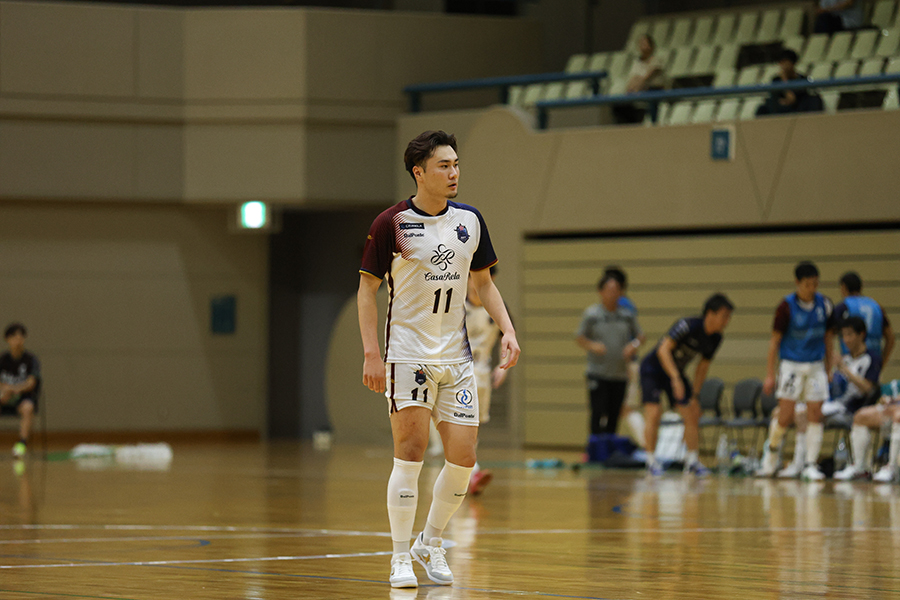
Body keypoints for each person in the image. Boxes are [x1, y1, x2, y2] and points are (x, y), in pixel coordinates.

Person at [357, 130, 519, 589]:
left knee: (463, 458)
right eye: (443, 166)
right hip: (407, 354)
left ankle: (430, 542)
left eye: (456, 164)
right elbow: (367, 290)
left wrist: (508, 329)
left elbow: (484, 283)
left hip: (457, 358)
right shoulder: (392, 223)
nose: (453, 173)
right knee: (409, 454)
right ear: (419, 172)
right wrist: (372, 353)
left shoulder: (470, 220)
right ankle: (399, 557)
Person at [640, 293, 734, 476]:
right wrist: (675, 378)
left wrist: (695, 395)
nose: (727, 321)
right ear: (710, 313)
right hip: (653, 370)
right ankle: (650, 460)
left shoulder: (716, 338)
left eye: (728, 317)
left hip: (675, 372)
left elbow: (702, 366)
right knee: (654, 412)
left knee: (692, 412)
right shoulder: (687, 325)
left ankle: (691, 461)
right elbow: (663, 350)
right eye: (724, 316)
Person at [758, 262, 837, 481]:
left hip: (815, 366)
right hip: (791, 365)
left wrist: (829, 368)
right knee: (784, 416)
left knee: (815, 414)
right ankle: (771, 455)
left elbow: (829, 339)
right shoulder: (785, 307)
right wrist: (770, 374)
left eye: (815, 284)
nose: (812, 289)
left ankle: (810, 464)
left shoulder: (825, 305)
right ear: (797, 283)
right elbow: (774, 342)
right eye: (807, 284)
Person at [575, 272, 642, 438]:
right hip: (597, 373)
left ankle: (609, 449)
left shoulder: (627, 315)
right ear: (601, 291)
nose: (613, 293)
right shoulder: (592, 314)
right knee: (597, 413)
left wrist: (633, 346)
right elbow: (579, 337)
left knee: (614, 415)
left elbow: (641, 336)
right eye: (609, 289)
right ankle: (596, 449)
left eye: (616, 290)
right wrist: (592, 345)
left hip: (620, 374)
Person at [463, 266, 510, 496]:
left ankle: (466, 472)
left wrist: (503, 366)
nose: (476, 283)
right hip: (458, 372)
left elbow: (508, 339)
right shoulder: (455, 305)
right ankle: (472, 471)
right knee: (463, 425)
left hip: (482, 374)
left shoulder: (497, 308)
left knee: (474, 428)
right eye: (473, 277)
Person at [829, 318, 888, 481]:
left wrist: (844, 369)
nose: (846, 340)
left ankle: (860, 466)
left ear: (861, 335)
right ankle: (805, 465)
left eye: (850, 335)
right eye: (843, 335)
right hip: (835, 405)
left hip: (856, 407)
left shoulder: (872, 359)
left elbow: (868, 388)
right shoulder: (845, 358)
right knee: (804, 413)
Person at [603, 266, 647, 447]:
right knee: (618, 409)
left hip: (628, 366)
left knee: (628, 408)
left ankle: (648, 446)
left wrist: (632, 347)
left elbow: (639, 336)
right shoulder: (607, 307)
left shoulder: (624, 305)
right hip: (615, 368)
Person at [834, 271, 894, 365]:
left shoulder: (843, 307)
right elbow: (890, 338)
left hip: (851, 361)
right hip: (873, 361)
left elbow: (828, 334)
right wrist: (882, 362)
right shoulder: (876, 307)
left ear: (843, 287)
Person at [0, 323, 41, 458]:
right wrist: (3, 391)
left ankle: (21, 444)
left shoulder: (31, 360)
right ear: (7, 339)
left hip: (22, 398)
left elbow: (31, 383)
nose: (18, 341)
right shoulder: (3, 360)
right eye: (14, 337)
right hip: (4, 398)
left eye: (20, 338)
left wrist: (13, 389)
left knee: (28, 408)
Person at [612, 34, 666, 124]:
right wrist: (630, 89)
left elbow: (646, 77)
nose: (642, 46)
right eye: (641, 44)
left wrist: (637, 87)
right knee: (619, 106)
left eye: (645, 44)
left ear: (651, 46)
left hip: (652, 90)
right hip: (637, 92)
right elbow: (634, 77)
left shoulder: (657, 60)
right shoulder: (637, 62)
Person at [756, 49, 822, 117]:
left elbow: (792, 99)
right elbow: (775, 99)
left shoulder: (802, 79)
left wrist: (784, 79)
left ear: (792, 63)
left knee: (814, 100)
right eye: (781, 63)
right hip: (780, 109)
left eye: (785, 62)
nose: (782, 66)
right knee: (762, 108)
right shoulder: (776, 80)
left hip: (798, 109)